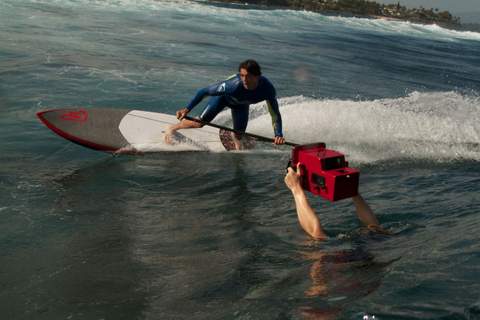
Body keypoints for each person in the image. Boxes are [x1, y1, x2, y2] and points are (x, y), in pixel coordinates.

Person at [165, 59, 285, 150]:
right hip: (223, 99)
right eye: (242, 75)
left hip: (241, 106)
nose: (244, 79)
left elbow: (274, 114)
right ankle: (172, 128)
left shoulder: (268, 90)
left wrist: (278, 134)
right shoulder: (232, 85)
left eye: (248, 76)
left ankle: (235, 136)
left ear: (257, 76)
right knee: (199, 123)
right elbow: (204, 91)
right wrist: (187, 109)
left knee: (239, 135)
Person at [284, 163, 389, 239]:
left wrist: (296, 189)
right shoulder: (372, 245)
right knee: (375, 231)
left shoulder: (330, 261)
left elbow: (317, 235)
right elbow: (374, 227)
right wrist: (352, 191)